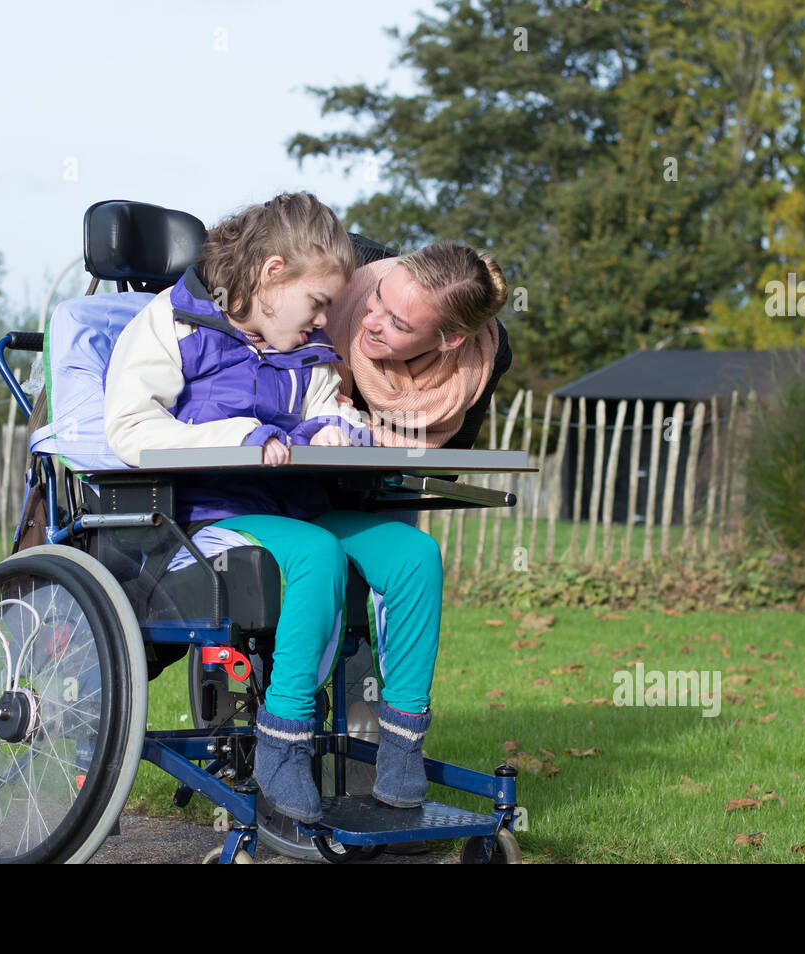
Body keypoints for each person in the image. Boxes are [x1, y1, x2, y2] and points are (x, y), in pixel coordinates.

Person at [102, 192, 444, 823]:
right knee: (312, 553)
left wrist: (339, 429)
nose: (322, 323)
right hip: (205, 520)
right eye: (317, 304)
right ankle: (282, 744)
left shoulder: (304, 351)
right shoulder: (171, 326)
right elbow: (128, 429)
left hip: (297, 510)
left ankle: (401, 754)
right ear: (271, 272)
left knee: (414, 555)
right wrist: (240, 435)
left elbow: (322, 412)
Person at [324, 238, 512, 451]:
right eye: (377, 296)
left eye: (397, 324)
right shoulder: (340, 259)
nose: (368, 322)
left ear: (450, 340)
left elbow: (442, 468)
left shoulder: (488, 353)